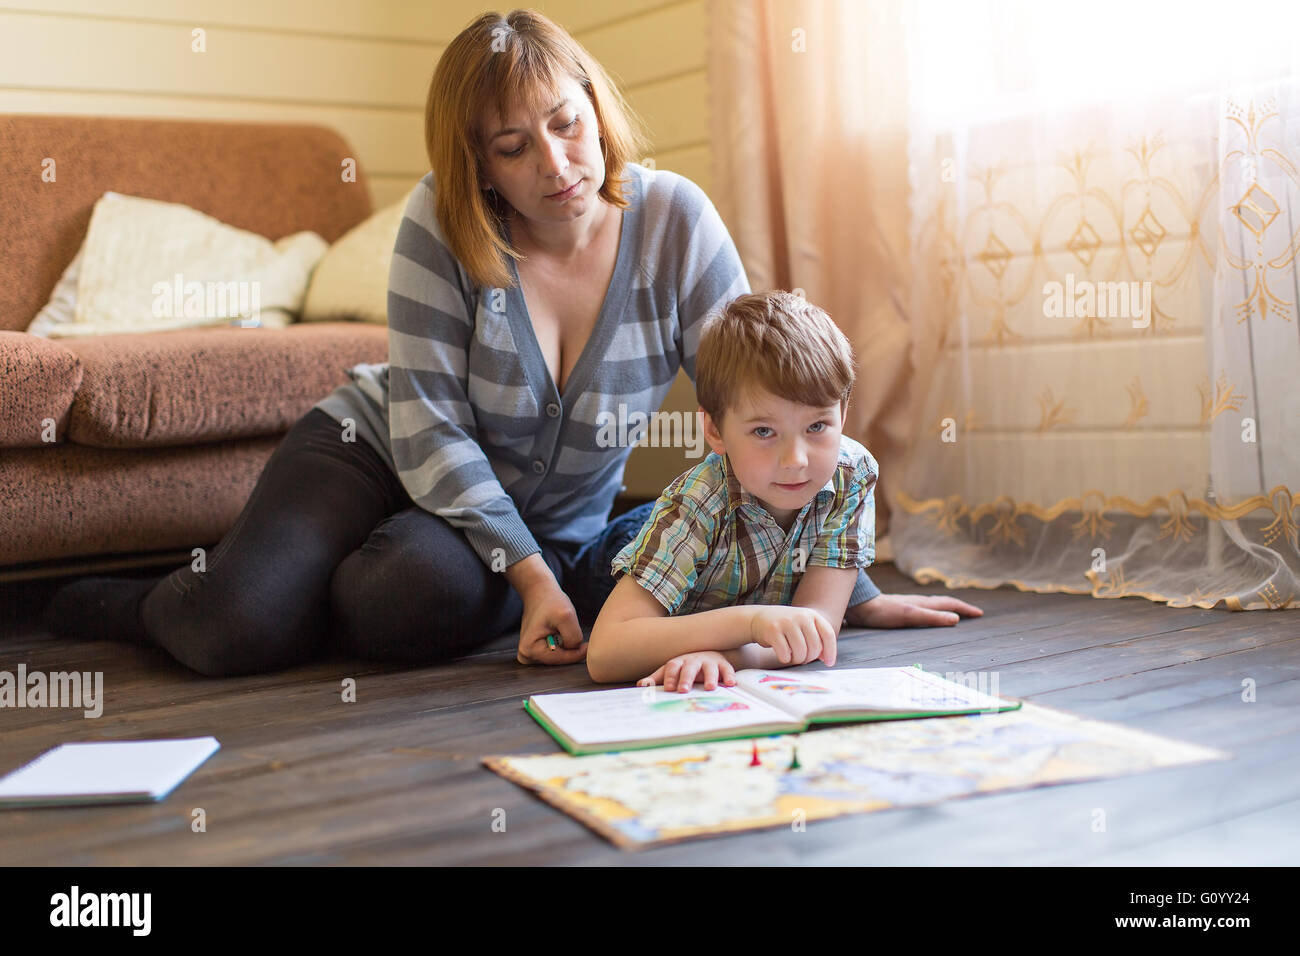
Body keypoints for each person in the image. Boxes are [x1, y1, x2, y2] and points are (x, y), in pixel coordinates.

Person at [44, 10, 977, 678]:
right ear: (477, 162)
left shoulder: (676, 221)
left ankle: (315, 589)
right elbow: (431, 429)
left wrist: (843, 593)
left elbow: (757, 410)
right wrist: (535, 584)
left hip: (532, 527)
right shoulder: (437, 228)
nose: (558, 165)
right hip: (377, 448)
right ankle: (134, 597)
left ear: (595, 109)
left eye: (567, 124)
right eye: (513, 145)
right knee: (235, 631)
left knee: (407, 596)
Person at [587, 291, 882, 691]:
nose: (795, 460)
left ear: (842, 414)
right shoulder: (694, 504)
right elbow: (605, 654)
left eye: (816, 426)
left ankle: (865, 601)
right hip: (621, 552)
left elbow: (813, 630)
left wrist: (727, 656)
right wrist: (751, 622)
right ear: (714, 431)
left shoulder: (854, 474)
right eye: (764, 431)